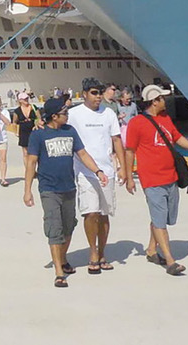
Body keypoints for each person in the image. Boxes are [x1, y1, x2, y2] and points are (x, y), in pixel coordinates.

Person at [23, 98, 109, 288]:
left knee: (68, 227)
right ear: (54, 116)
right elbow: (31, 162)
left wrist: (98, 171)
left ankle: (61, 259)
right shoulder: (38, 135)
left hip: (69, 187)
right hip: (49, 189)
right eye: (64, 113)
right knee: (54, 228)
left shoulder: (70, 131)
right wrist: (27, 190)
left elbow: (83, 154)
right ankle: (59, 272)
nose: (67, 115)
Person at [124, 84, 188, 277]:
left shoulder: (165, 119)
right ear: (154, 101)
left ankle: (152, 250)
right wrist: (129, 177)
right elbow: (130, 151)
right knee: (160, 220)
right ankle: (170, 260)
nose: (165, 101)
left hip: (171, 176)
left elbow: (177, 137)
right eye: (162, 98)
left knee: (165, 218)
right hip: (151, 179)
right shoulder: (136, 123)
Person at [72, 78, 129, 274]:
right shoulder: (74, 114)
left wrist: (122, 167)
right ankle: (93, 252)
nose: (98, 97)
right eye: (94, 93)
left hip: (108, 170)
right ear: (85, 93)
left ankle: (103, 252)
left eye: (99, 93)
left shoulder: (109, 114)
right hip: (84, 172)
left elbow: (116, 140)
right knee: (91, 213)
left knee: (104, 214)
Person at [9, 93, 40, 171]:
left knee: (35, 152)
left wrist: (37, 125)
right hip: (23, 132)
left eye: (27, 98)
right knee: (25, 153)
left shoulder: (33, 107)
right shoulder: (17, 111)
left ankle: (36, 169)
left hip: (33, 131)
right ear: (20, 100)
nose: (26, 100)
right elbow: (14, 122)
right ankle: (29, 170)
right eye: (24, 99)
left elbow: (39, 118)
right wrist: (15, 132)